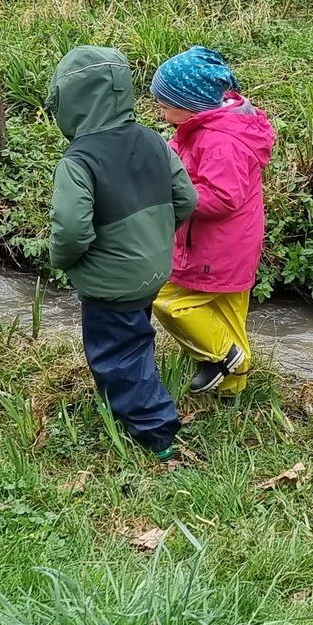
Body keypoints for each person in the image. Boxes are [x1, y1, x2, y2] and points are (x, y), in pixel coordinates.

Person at [48, 47, 198, 457]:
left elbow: (71, 231)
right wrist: (153, 238)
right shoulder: (153, 139)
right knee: (134, 336)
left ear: (70, 102)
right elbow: (185, 198)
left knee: (116, 354)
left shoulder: (78, 161)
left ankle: (156, 431)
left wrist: (62, 260)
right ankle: (124, 401)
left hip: (111, 281)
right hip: (153, 268)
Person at [148, 47, 276, 396]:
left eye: (164, 103)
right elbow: (187, 161)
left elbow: (222, 197)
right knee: (228, 313)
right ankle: (232, 389)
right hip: (231, 242)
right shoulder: (206, 126)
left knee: (169, 303)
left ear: (191, 103)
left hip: (215, 246)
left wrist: (171, 193)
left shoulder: (219, 140)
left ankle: (223, 355)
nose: (159, 108)